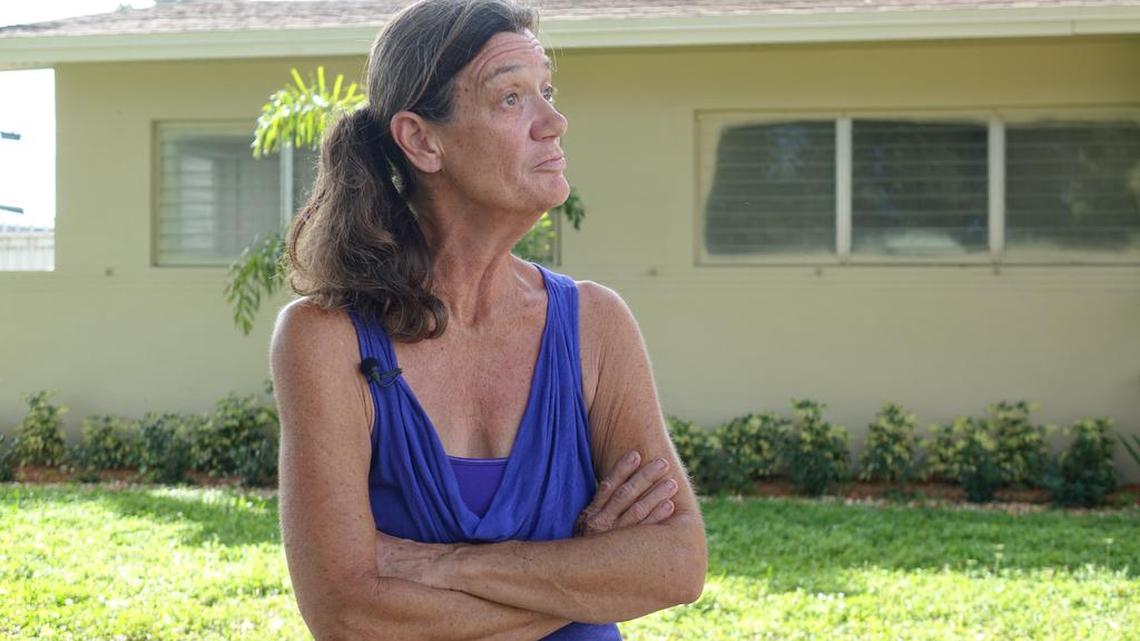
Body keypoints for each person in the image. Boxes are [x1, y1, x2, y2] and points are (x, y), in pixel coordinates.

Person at [269, 0, 707, 639]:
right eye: (511, 99)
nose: (554, 122)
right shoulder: (325, 339)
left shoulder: (595, 324)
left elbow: (677, 565)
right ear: (421, 140)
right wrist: (586, 572)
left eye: (547, 92)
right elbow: (348, 615)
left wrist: (438, 566)